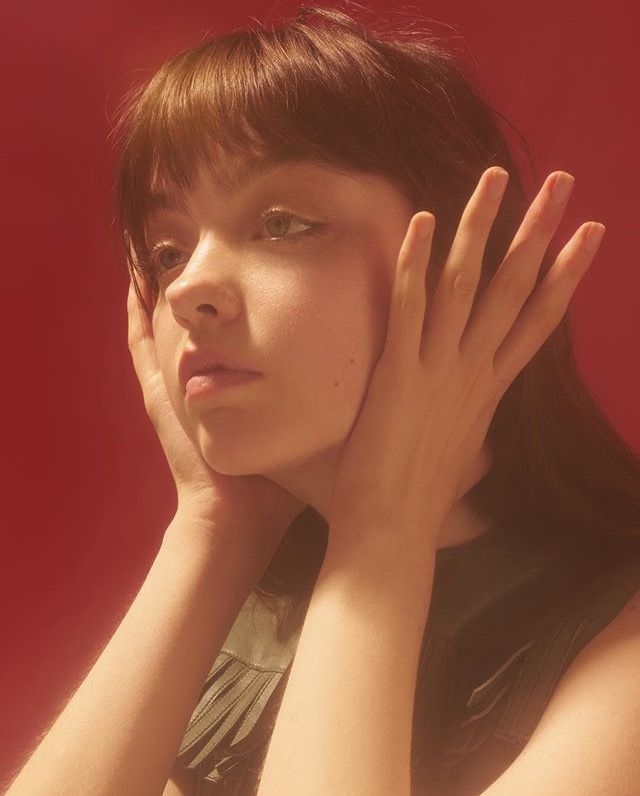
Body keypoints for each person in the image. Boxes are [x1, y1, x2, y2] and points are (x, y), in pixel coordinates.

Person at [7, 4, 640, 796]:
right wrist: (211, 531)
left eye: (281, 223)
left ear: (460, 268)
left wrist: (381, 534)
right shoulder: (246, 604)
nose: (188, 287)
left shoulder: (622, 646)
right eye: (168, 250)